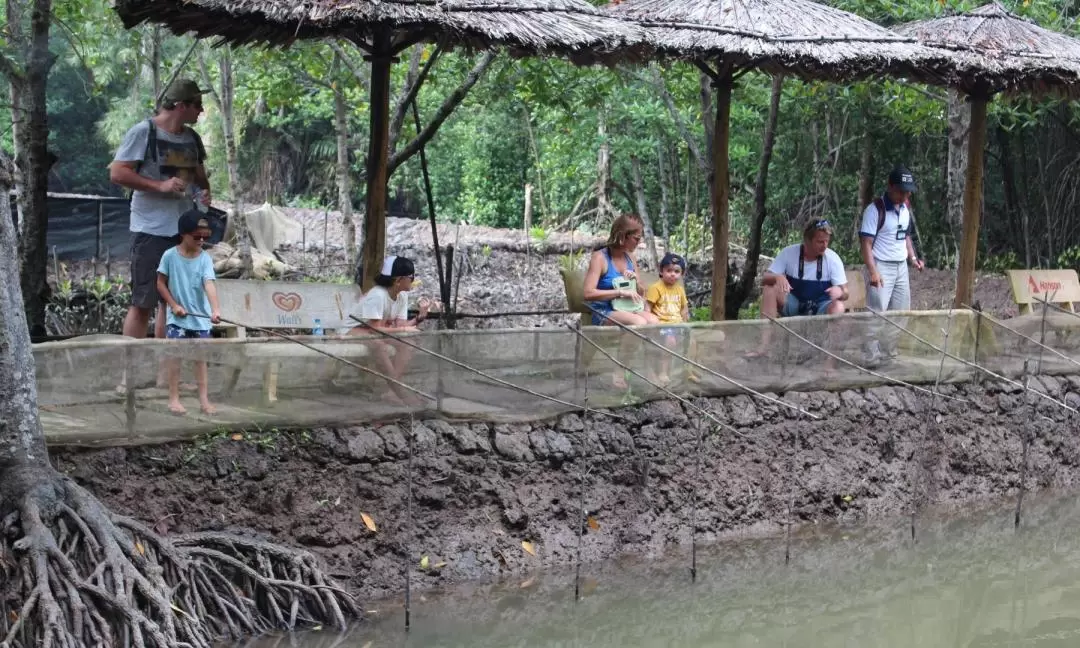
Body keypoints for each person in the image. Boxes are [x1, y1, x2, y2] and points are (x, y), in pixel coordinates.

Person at [111, 78, 211, 353]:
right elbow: (118, 173)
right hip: (151, 230)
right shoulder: (143, 132)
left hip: (183, 233)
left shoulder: (192, 138)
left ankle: (165, 376)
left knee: (174, 303)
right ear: (180, 105)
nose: (201, 111)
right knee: (143, 302)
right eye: (197, 104)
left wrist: (204, 192)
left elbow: (201, 178)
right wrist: (160, 186)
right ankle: (129, 377)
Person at [747, 218, 848, 358]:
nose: (825, 245)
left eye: (827, 241)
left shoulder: (833, 259)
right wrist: (777, 277)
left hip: (820, 308)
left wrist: (840, 292)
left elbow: (846, 293)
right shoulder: (789, 253)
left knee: (839, 307)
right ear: (807, 240)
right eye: (820, 241)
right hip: (794, 304)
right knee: (770, 289)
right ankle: (763, 347)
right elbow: (764, 279)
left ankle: (829, 363)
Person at [582, 213, 659, 388]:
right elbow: (587, 293)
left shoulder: (630, 258)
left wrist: (636, 282)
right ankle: (619, 370)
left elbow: (641, 291)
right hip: (604, 310)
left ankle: (649, 368)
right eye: (637, 238)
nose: (639, 243)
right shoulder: (600, 258)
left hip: (629, 308)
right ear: (623, 236)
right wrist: (618, 293)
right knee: (638, 323)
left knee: (654, 321)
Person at [156, 210, 221, 416]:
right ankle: (173, 399)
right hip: (177, 320)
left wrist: (215, 309)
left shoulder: (205, 259)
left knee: (200, 360)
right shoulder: (169, 256)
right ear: (183, 234)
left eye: (206, 237)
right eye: (197, 236)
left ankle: (204, 400)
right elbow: (160, 283)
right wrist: (173, 305)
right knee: (175, 358)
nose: (202, 240)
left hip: (200, 321)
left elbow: (209, 283)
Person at [860, 165, 925, 364]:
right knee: (877, 311)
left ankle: (889, 351)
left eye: (907, 191)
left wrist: (913, 259)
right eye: (901, 190)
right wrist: (873, 271)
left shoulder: (905, 209)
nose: (904, 195)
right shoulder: (875, 210)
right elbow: (866, 243)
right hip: (881, 264)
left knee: (901, 311)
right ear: (890, 186)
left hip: (900, 267)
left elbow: (905, 236)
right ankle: (871, 355)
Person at [350, 255, 431, 405]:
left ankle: (390, 393)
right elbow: (375, 331)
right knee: (378, 344)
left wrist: (419, 318)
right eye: (411, 277)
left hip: (372, 330)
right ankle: (400, 392)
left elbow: (400, 327)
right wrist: (406, 328)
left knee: (407, 342)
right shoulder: (378, 295)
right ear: (398, 280)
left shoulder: (402, 296)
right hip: (352, 328)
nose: (413, 280)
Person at [645, 252, 690, 385]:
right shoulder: (656, 288)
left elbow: (684, 308)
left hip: (678, 325)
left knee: (692, 342)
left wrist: (685, 322)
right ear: (661, 270)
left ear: (682, 273)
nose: (672, 274)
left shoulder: (680, 289)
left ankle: (687, 370)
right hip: (661, 325)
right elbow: (647, 307)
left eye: (677, 271)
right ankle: (663, 372)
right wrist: (649, 326)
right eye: (669, 270)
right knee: (670, 342)